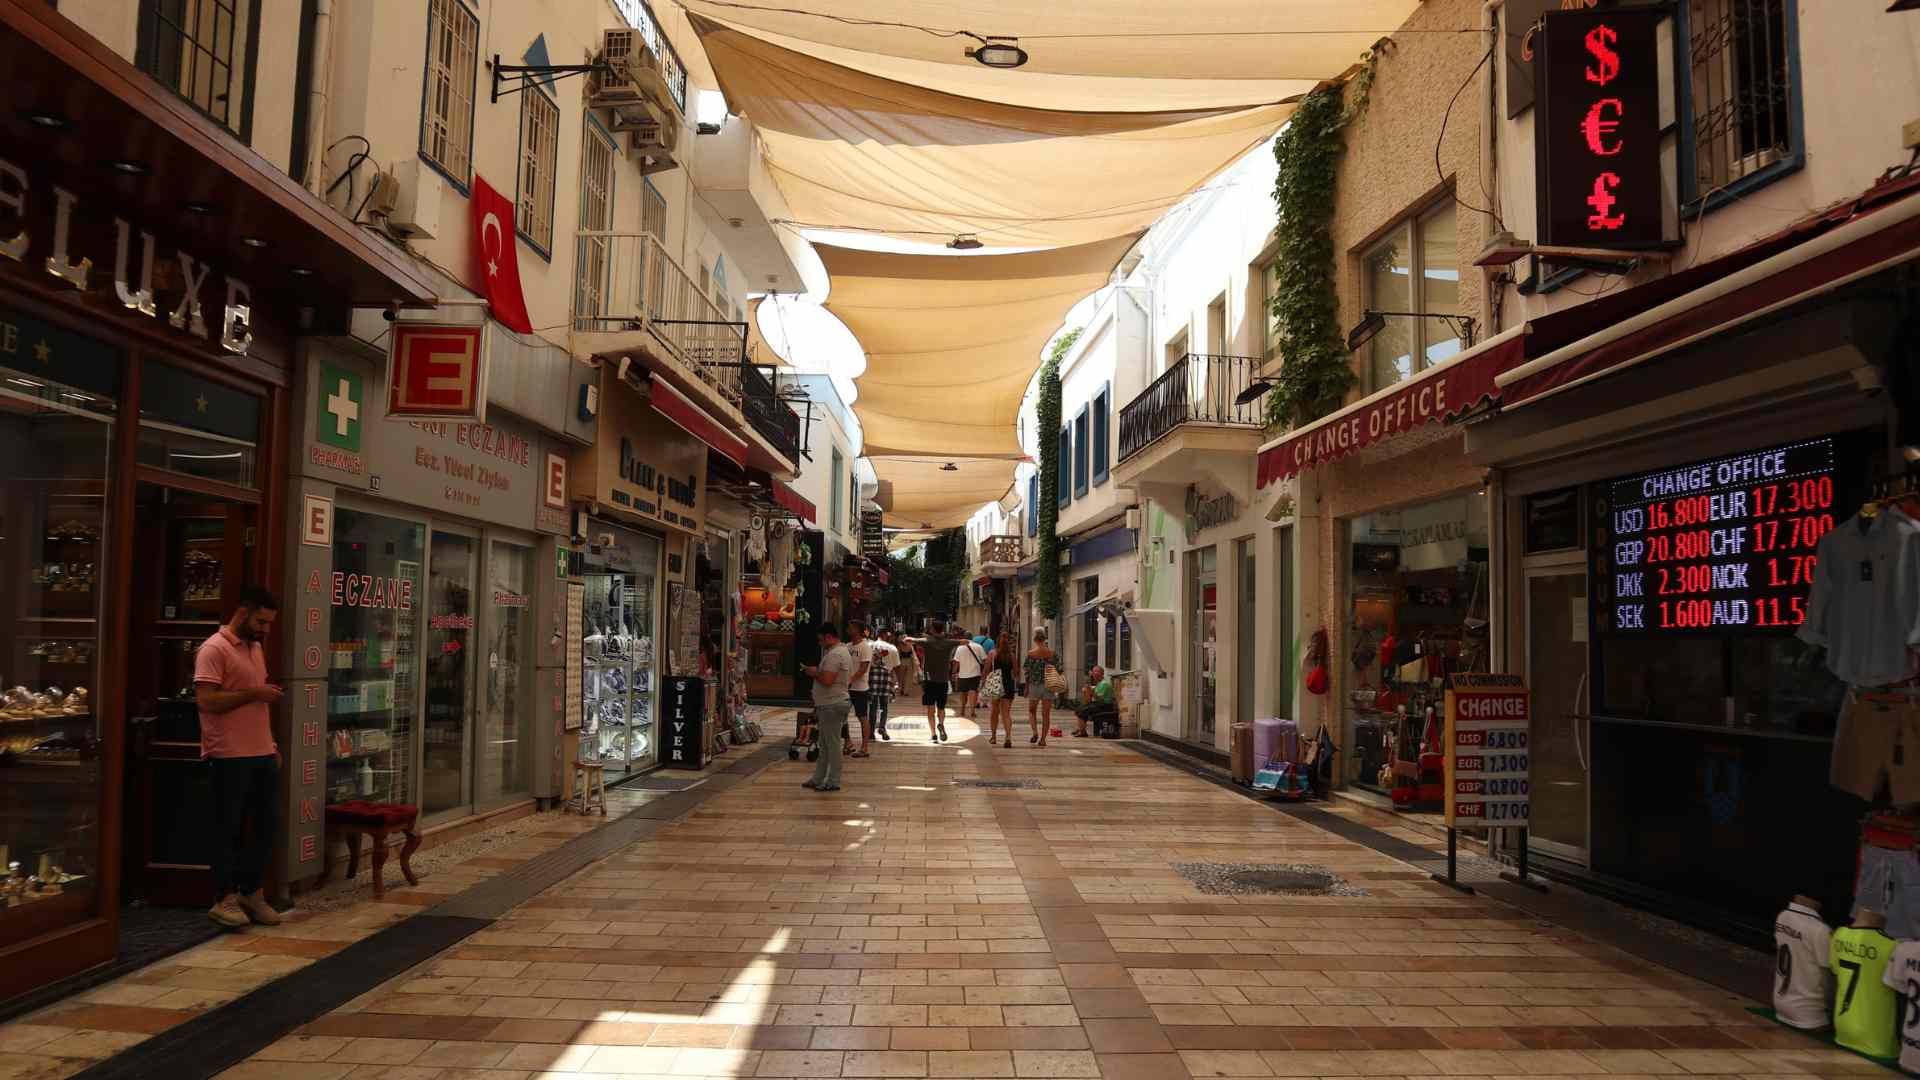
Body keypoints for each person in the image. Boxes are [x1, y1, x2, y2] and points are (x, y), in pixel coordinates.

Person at [195, 585, 285, 929]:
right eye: (261, 621)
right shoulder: (213, 649)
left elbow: (258, 704)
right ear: (243, 611)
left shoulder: (255, 647)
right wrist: (253, 693)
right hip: (228, 754)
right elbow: (206, 701)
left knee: (266, 826)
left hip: (261, 752)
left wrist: (272, 746)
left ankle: (251, 891)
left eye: (269, 623)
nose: (265, 629)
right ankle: (225, 898)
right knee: (228, 829)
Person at [802, 623, 855, 793]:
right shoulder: (840, 652)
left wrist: (813, 672)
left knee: (831, 745)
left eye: (821, 640)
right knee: (825, 744)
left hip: (832, 704)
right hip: (830, 704)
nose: (820, 643)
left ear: (828, 637)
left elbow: (827, 680)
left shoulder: (835, 655)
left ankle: (833, 781)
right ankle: (818, 778)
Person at [906, 622, 968, 743]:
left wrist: (920, 638)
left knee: (930, 708)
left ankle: (933, 734)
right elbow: (966, 642)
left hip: (929, 680)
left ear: (933, 630)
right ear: (942, 630)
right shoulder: (948, 642)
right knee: (941, 707)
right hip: (943, 680)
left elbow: (909, 639)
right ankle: (941, 723)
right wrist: (948, 638)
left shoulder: (927, 641)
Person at [845, 620, 875, 758]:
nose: (849, 629)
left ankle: (864, 747)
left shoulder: (865, 647)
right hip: (845, 687)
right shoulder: (847, 646)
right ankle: (848, 743)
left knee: (862, 717)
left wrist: (850, 679)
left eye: (851, 627)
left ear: (858, 630)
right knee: (841, 716)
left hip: (860, 688)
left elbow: (864, 668)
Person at [1023, 629, 1057, 748]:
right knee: (1046, 714)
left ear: (1035, 640)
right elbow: (1059, 669)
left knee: (1032, 710)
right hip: (1049, 686)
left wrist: (1026, 687)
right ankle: (1043, 739)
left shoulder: (1031, 653)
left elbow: (1027, 672)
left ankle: (1035, 732)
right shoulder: (1052, 653)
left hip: (1035, 685)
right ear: (1044, 639)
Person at [869, 631, 901, 741]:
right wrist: (898, 682)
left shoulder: (869, 646)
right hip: (886, 677)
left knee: (872, 706)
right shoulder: (892, 648)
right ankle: (882, 726)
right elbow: (897, 666)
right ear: (885, 635)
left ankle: (871, 732)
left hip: (872, 677)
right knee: (884, 705)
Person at [951, 629, 988, 721]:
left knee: (963, 692)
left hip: (963, 674)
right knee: (973, 691)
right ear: (972, 638)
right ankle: (972, 711)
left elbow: (956, 662)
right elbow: (984, 660)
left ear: (964, 638)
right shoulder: (978, 647)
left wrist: (954, 672)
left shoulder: (959, 648)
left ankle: (963, 709)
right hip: (975, 673)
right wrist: (985, 671)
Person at [987, 641, 1018, 748]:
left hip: (995, 682)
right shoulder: (1012, 655)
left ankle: (994, 737)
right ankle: (1008, 737)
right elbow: (1016, 672)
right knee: (1006, 713)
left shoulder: (992, 653)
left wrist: (984, 682)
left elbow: (987, 669)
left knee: (994, 712)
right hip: (1008, 683)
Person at [1074, 665, 1118, 738]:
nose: (1094, 674)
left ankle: (1082, 731)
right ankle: (1081, 729)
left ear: (1101, 674)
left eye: (1096, 672)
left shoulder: (1104, 684)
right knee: (1080, 708)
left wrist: (1091, 692)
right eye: (1093, 672)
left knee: (1082, 710)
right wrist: (1088, 690)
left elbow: (1100, 698)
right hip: (1100, 704)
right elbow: (1089, 698)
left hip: (1105, 705)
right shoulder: (1099, 683)